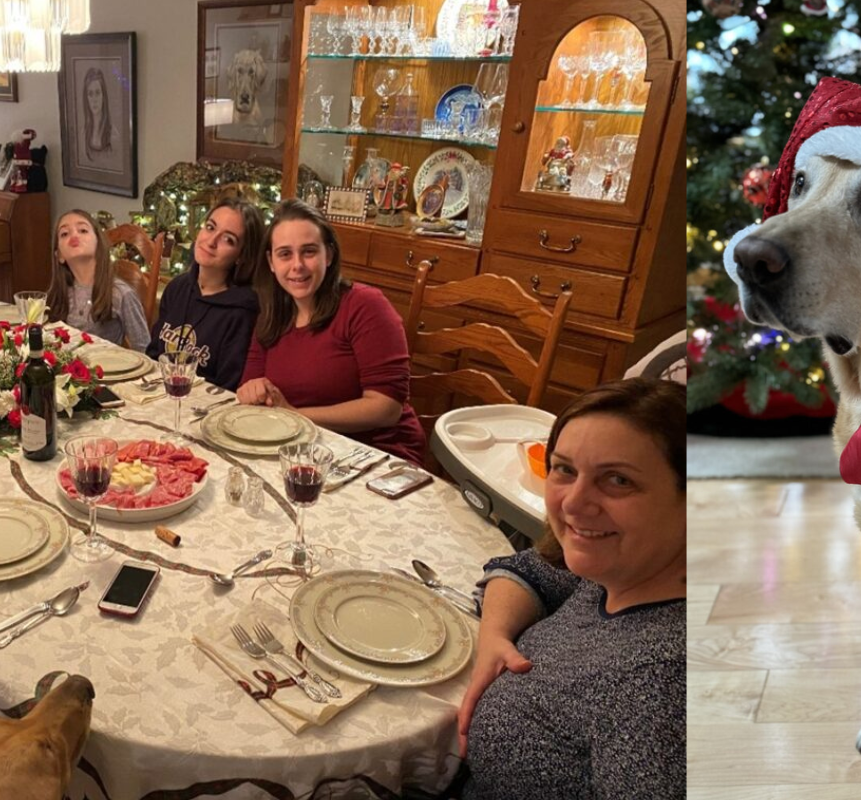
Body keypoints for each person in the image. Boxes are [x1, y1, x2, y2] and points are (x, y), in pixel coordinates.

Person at [456, 378, 685, 799]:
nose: (574, 503)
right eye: (564, 469)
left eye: (618, 480)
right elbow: (526, 568)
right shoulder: (620, 570)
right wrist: (494, 636)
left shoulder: (660, 689)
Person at [236, 200, 425, 464]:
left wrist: (295, 415)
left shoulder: (365, 305)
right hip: (300, 450)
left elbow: (386, 408)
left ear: (330, 255)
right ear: (271, 261)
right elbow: (250, 386)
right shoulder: (272, 313)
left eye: (309, 251)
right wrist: (252, 391)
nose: (297, 265)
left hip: (374, 455)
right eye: (285, 254)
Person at [145, 198, 264, 390]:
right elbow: (153, 355)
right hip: (160, 397)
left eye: (228, 239)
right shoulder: (177, 288)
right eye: (210, 227)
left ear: (241, 255)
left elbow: (227, 389)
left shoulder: (242, 312)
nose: (211, 242)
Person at [45, 210, 150, 351]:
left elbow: (144, 349)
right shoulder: (57, 293)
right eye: (64, 233)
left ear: (99, 244)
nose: (74, 235)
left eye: (83, 230)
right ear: (59, 256)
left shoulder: (120, 294)